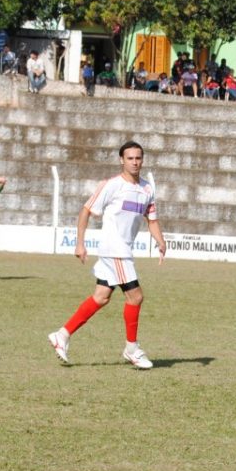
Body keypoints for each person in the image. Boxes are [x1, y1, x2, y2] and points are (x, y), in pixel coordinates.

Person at [48, 141, 167, 370]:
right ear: (121, 160)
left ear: (143, 160)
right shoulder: (111, 185)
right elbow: (86, 210)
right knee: (135, 297)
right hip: (115, 250)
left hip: (123, 250)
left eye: (138, 158)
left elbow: (151, 219)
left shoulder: (147, 189)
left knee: (101, 296)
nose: (134, 162)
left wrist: (160, 241)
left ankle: (61, 335)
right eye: (130, 158)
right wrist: (80, 243)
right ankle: (132, 348)